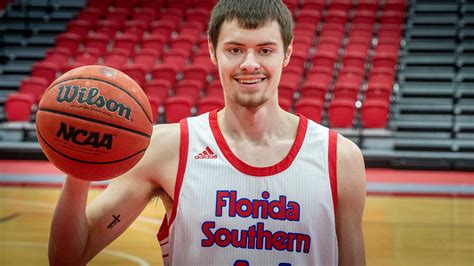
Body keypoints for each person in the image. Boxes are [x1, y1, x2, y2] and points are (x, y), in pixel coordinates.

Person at [48, 0, 367, 265]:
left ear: (287, 53)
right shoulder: (167, 148)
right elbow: (70, 256)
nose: (250, 63)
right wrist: (79, 166)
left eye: (266, 50)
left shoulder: (339, 158)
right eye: (235, 49)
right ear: (214, 52)